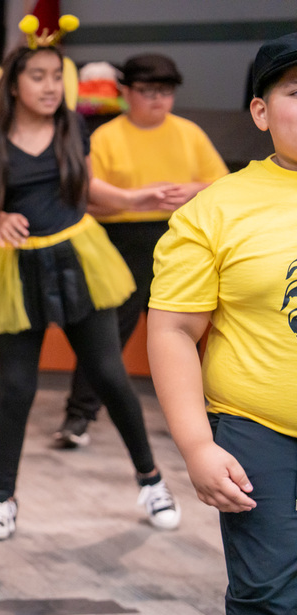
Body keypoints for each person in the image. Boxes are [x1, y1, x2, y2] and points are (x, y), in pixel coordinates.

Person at [0, 18, 181, 541]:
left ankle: (151, 480)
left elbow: (89, 189)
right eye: (39, 76)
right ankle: (2, 499)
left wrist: (132, 199)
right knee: (16, 387)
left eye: (57, 75)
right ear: (14, 83)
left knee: (108, 373)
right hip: (15, 267)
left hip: (79, 257)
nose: (51, 86)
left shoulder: (74, 127)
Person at [147, 33, 297, 615]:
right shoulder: (219, 208)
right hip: (261, 432)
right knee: (273, 603)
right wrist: (196, 445)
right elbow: (174, 330)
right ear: (261, 112)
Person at [53, 53, 228, 449]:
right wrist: (136, 200)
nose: (158, 100)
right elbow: (87, 200)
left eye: (166, 92)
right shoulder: (104, 137)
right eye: (148, 92)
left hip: (182, 242)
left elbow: (223, 185)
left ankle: (209, 419)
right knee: (104, 335)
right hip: (121, 245)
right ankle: (78, 417)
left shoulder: (189, 133)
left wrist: (192, 190)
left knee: (188, 333)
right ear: (125, 93)